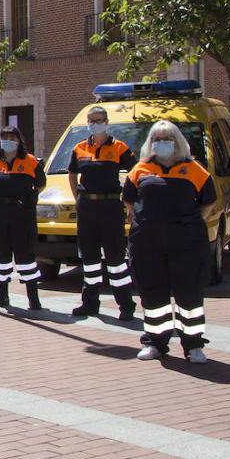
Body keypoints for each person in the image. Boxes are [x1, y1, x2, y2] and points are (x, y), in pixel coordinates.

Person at [124, 121, 215, 363]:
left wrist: (189, 224)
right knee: (152, 293)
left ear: (178, 142)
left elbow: (208, 201)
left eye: (167, 139)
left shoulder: (194, 169)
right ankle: (155, 342)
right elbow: (129, 200)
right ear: (150, 143)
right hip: (147, 243)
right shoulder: (140, 169)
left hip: (186, 243)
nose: (162, 143)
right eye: (157, 139)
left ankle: (193, 345)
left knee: (190, 293)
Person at [67, 106, 137, 319]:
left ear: (106, 122)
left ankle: (126, 305)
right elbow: (72, 173)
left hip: (110, 208)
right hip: (87, 208)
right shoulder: (79, 148)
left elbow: (135, 173)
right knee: (89, 260)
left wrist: (130, 203)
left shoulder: (119, 147)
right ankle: (89, 303)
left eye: (99, 120)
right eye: (91, 120)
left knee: (116, 260)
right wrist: (76, 198)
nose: (95, 123)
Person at [0, 126, 48, 311]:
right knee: (1, 256)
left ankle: (33, 298)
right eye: (4, 137)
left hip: (22, 216)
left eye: (12, 137)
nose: (8, 140)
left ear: (19, 140)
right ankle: (1, 296)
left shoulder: (30, 161)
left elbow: (41, 184)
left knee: (25, 256)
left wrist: (28, 198)